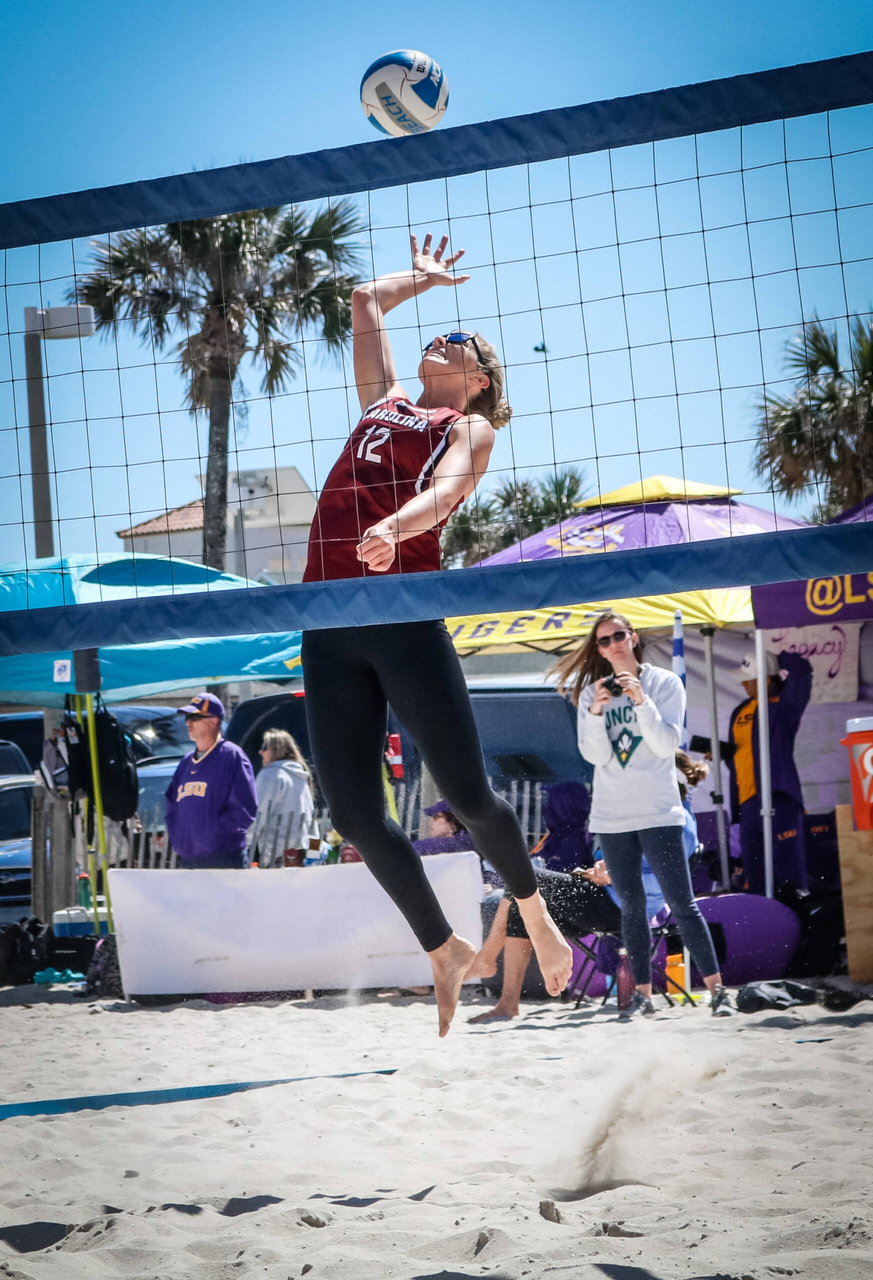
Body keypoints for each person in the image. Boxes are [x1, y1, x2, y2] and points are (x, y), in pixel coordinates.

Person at [300, 231, 572, 1035]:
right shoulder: (384, 403)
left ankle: (536, 911)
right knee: (352, 815)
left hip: (402, 616)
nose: (439, 338)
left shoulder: (470, 428)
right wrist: (418, 282)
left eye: (456, 340)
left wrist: (394, 524)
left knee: (464, 793)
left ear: (478, 379)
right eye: (438, 332)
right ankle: (445, 947)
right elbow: (362, 301)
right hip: (328, 620)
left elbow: (447, 493)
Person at [553, 611, 735, 1018]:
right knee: (630, 908)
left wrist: (641, 700)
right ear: (598, 648)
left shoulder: (664, 683)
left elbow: (666, 742)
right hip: (612, 816)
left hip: (658, 811)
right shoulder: (592, 693)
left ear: (633, 638)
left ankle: (719, 992)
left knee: (682, 904)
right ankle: (642, 996)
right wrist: (598, 713)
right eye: (604, 640)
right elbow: (595, 756)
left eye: (619, 635)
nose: (613, 644)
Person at [466, 868, 622, 1023]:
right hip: (603, 898)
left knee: (523, 874)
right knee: (522, 904)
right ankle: (508, 1004)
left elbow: (642, 879)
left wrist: (611, 876)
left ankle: (487, 957)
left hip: (617, 907)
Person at [727, 649, 812, 896]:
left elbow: (802, 671)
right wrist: (724, 754)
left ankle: (797, 928)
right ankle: (766, 931)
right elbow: (742, 757)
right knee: (755, 876)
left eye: (748, 678)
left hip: (780, 798)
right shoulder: (741, 710)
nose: (743, 683)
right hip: (748, 803)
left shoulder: (786, 705)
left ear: (765, 680)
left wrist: (777, 659)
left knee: (788, 872)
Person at [165, 693, 258, 869]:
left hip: (224, 857)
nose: (188, 723)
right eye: (187, 717)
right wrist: (180, 837)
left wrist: (212, 833)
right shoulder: (186, 763)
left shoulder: (231, 756)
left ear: (214, 721)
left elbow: (245, 810)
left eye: (195, 717)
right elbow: (171, 804)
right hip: (189, 859)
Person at [249, 729, 317, 867]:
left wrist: (242, 844)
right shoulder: (303, 777)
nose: (260, 752)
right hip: (303, 857)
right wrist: (314, 857)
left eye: (264, 747)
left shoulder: (270, 775)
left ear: (276, 749)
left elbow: (256, 816)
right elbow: (312, 823)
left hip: (275, 857)